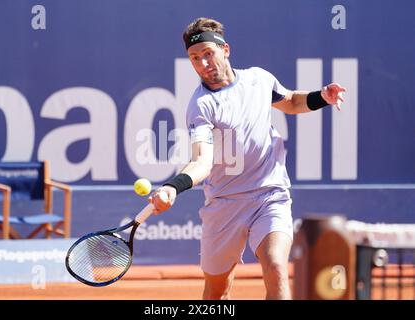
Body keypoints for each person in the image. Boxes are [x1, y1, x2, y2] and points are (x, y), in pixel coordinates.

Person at [148, 17, 346, 300]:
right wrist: (173, 186)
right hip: (225, 204)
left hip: (270, 195)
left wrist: (321, 97)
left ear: (225, 50)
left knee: (276, 265)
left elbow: (289, 101)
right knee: (217, 291)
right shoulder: (201, 106)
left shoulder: (258, 79)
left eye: (208, 54)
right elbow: (202, 162)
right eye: (195, 58)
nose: (203, 64)